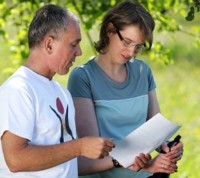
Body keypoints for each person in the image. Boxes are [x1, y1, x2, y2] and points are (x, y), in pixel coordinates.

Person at [68, 1, 184, 178]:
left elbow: (155, 130)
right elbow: (91, 155)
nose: (131, 52)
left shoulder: (142, 71)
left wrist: (168, 148)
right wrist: (143, 164)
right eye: (127, 42)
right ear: (110, 30)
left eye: (138, 46)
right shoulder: (83, 77)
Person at [0, 4, 115, 178]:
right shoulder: (19, 89)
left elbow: (68, 162)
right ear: (49, 44)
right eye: (73, 44)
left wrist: (123, 160)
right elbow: (16, 160)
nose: (79, 52)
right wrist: (80, 147)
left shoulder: (62, 93)